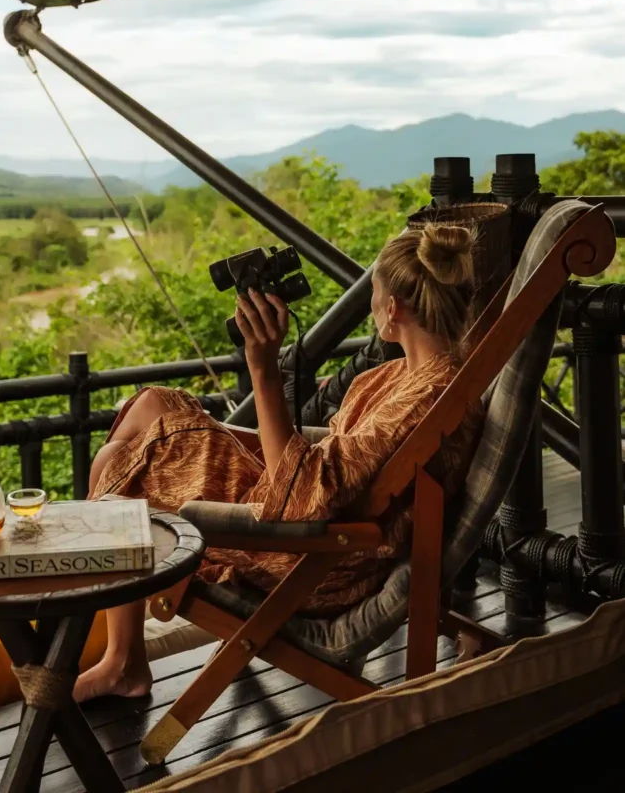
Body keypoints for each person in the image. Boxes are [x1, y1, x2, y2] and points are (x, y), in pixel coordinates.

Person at [73, 224, 485, 702]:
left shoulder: (426, 398)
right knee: (151, 406)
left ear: (392, 309)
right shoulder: (405, 376)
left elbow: (304, 503)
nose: (373, 307)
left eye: (373, 295)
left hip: (313, 558)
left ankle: (121, 660)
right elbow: (331, 464)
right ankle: (123, 655)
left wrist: (263, 366)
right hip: (303, 508)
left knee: (114, 467)